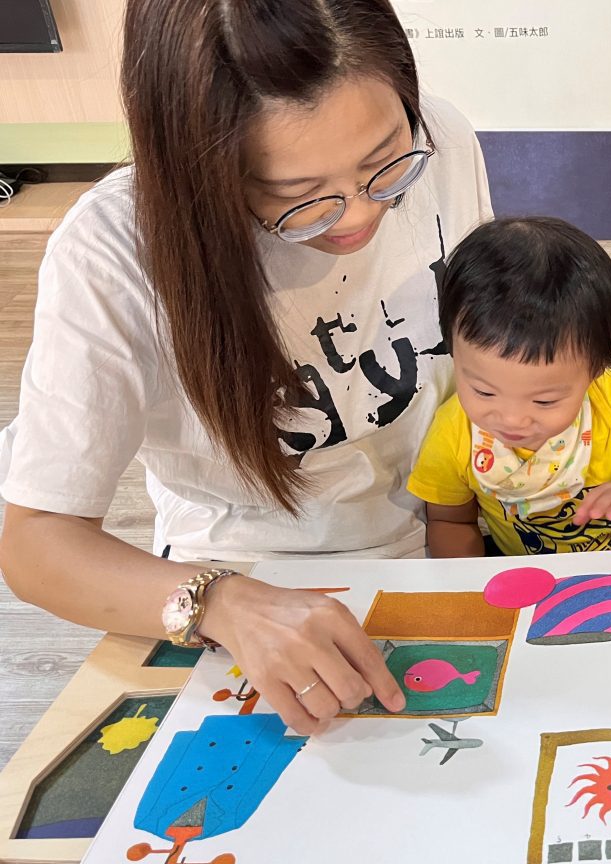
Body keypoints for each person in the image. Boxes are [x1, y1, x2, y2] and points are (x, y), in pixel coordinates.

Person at [0, 0, 493, 733]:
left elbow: (481, 346)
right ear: (198, 172)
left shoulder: (442, 138)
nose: (358, 216)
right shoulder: (114, 252)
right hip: (253, 581)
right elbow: (38, 544)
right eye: (297, 199)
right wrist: (223, 602)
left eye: (385, 165)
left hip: (446, 538)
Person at [408, 217, 611, 558]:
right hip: (527, 572)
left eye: (544, 400)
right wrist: (471, 592)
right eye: (483, 391)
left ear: (597, 367)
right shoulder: (454, 434)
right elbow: (451, 523)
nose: (512, 420)